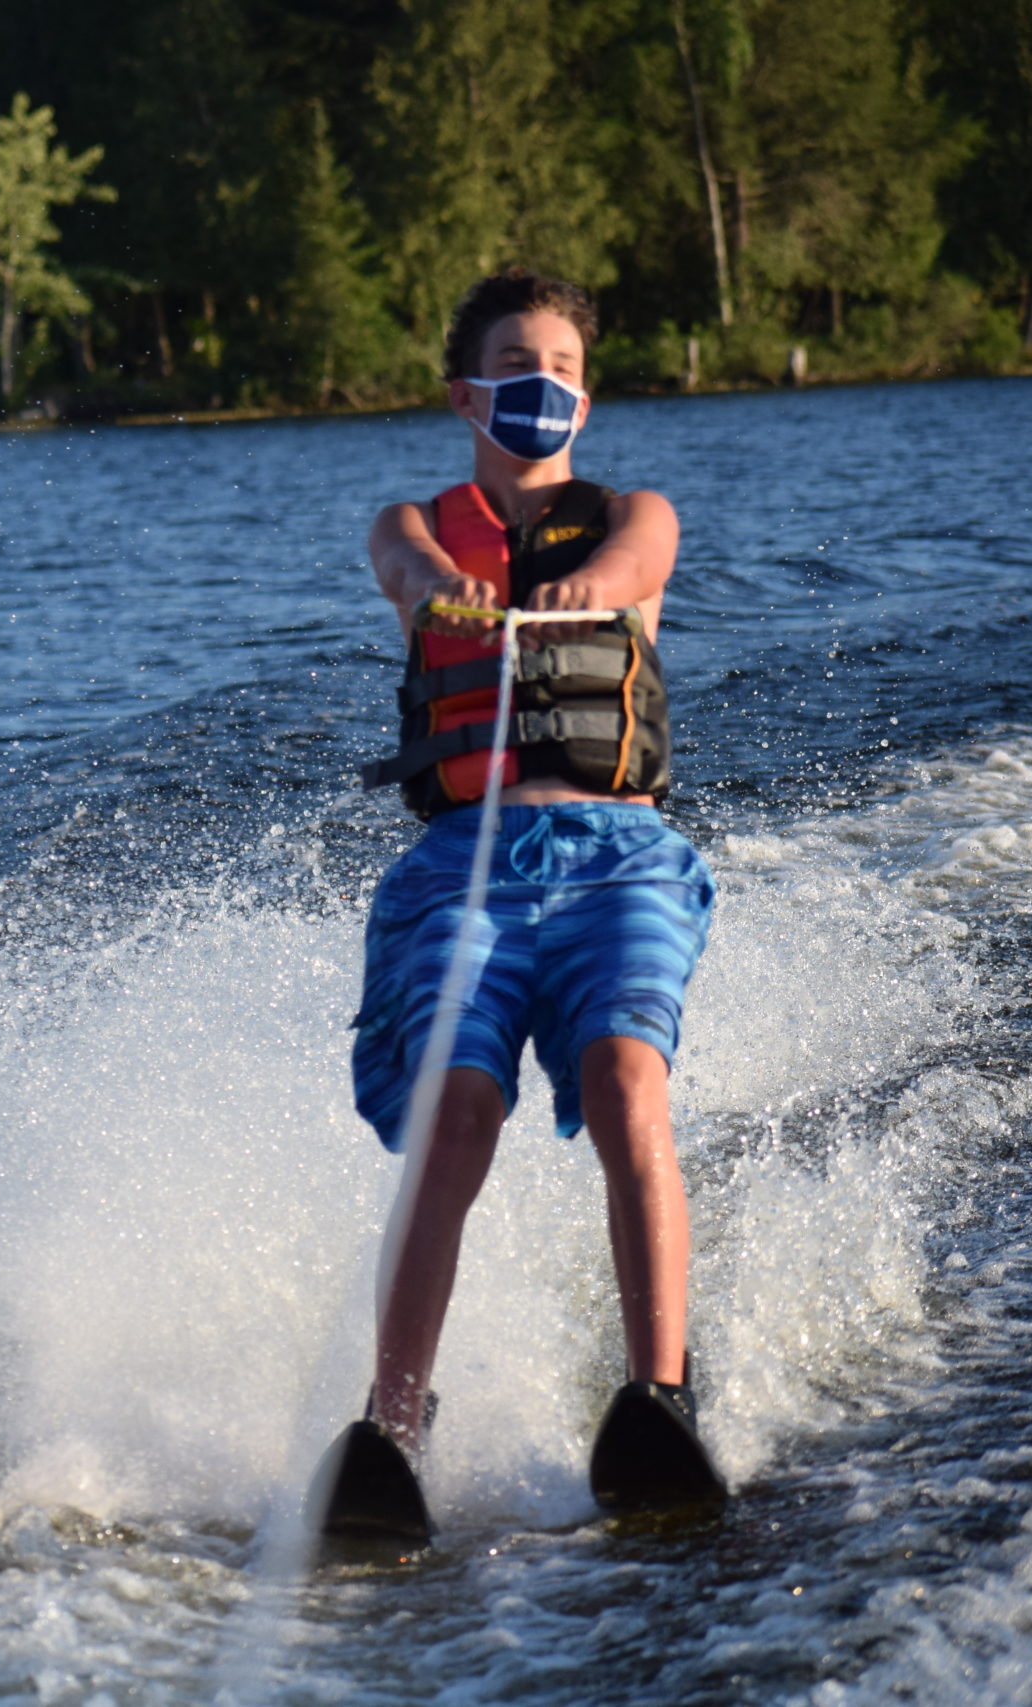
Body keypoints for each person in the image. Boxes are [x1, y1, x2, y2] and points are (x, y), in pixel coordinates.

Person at [346, 270, 716, 1481]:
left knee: (624, 1084)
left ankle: (659, 1392)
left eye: (561, 369)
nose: (541, 385)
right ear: (466, 394)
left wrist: (582, 594)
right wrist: (439, 590)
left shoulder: (632, 517)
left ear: (585, 401)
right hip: (465, 867)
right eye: (515, 366)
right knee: (454, 1115)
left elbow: (634, 565)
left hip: (620, 863)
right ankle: (395, 1425)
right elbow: (403, 570)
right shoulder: (411, 524)